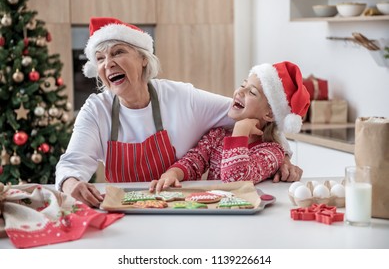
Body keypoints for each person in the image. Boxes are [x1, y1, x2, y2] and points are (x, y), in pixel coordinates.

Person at [55, 17, 303, 207]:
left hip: (178, 209)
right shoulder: (95, 110)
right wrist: (70, 183)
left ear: (143, 58)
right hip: (123, 211)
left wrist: (283, 157)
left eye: (118, 52)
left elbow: (249, 115)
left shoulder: (183, 98)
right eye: (99, 58)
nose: (107, 63)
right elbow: (72, 163)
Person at [150, 61, 310, 192]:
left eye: (252, 92)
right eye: (243, 85)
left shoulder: (271, 152)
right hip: (216, 211)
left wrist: (240, 132)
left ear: (269, 114)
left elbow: (234, 180)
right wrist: (172, 174)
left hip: (245, 218)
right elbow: (193, 161)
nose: (240, 92)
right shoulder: (217, 135)